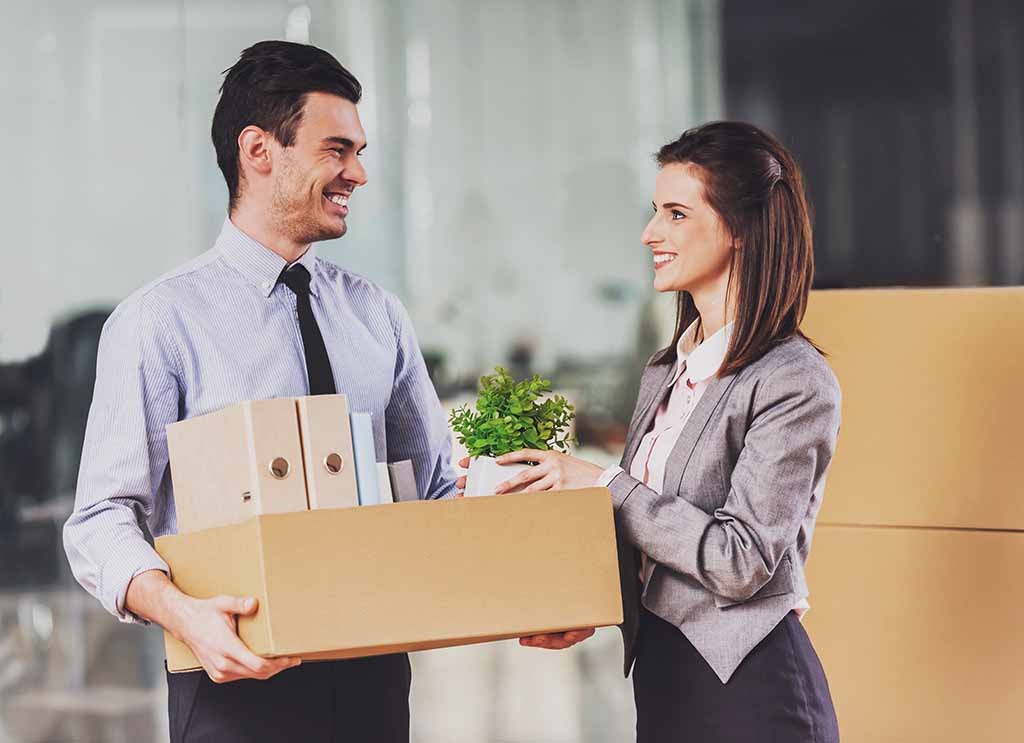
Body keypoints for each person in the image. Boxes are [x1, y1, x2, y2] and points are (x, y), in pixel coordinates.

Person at [63, 40, 456, 742]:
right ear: (258, 149)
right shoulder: (161, 320)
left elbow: (438, 490)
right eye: (337, 149)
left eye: (360, 151)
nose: (358, 173)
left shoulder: (377, 314)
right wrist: (184, 614)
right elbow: (100, 519)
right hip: (233, 677)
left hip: (373, 673)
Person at [464, 121, 842, 742]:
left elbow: (740, 561)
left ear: (740, 228)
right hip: (666, 683)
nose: (649, 234)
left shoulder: (793, 380)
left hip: (751, 692)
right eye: (653, 212)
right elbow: (654, 547)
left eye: (675, 214)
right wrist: (586, 604)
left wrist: (604, 480)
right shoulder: (668, 369)